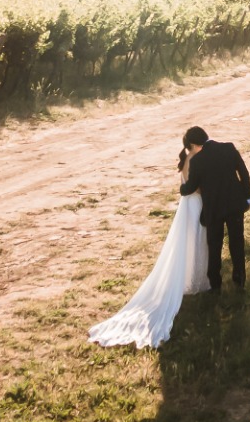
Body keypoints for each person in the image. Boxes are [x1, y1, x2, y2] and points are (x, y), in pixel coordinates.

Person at [86, 141, 211, 348]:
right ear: (193, 144)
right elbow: (194, 187)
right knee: (196, 239)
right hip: (195, 203)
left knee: (189, 241)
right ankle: (197, 278)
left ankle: (194, 277)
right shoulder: (193, 159)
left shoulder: (187, 159)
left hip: (188, 205)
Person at [177, 125, 250, 292]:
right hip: (234, 204)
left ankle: (215, 284)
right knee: (237, 242)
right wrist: (248, 197)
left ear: (193, 144)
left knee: (214, 245)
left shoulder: (197, 161)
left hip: (213, 207)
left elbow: (191, 187)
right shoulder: (228, 148)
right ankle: (239, 280)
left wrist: (182, 189)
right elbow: (243, 173)